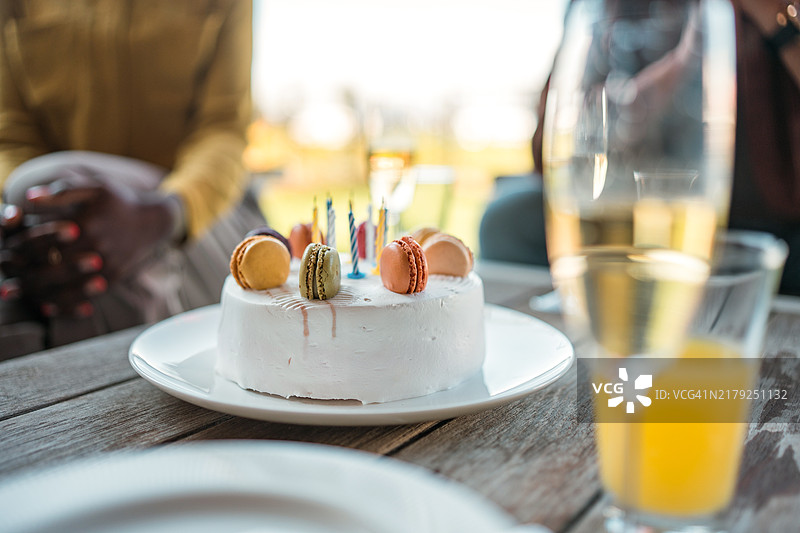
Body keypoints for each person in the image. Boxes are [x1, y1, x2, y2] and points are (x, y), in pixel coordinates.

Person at [479, 0, 800, 295]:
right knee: (506, 221)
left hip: (768, 224)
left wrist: (776, 17)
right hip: (629, 208)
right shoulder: (600, 9)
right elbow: (551, 152)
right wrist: (677, 67)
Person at [0, 0, 253, 358]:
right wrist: (33, 219)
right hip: (62, 217)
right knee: (43, 209)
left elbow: (223, 130)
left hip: (196, 221)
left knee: (51, 194)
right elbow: (11, 135)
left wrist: (161, 215)